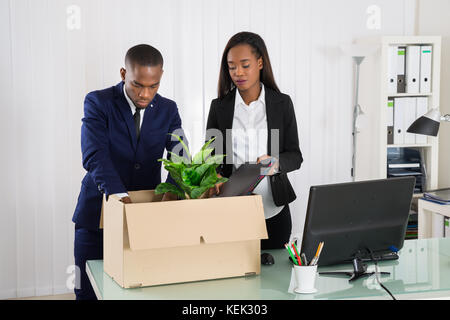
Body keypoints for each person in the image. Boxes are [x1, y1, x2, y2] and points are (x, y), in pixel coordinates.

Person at [72, 44, 184, 300]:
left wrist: (172, 190)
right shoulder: (98, 102)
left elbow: (180, 154)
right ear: (123, 73)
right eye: (137, 85)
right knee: (87, 291)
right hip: (96, 215)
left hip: (146, 219)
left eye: (153, 86)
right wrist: (120, 196)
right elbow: (94, 154)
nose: (145, 94)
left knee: (139, 292)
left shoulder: (168, 109)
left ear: (161, 77)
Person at [206, 31, 303, 250]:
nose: (238, 72)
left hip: (274, 208)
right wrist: (216, 177)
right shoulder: (220, 108)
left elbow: (295, 156)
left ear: (260, 63)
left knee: (276, 277)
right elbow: (211, 158)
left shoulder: (281, 104)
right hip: (233, 210)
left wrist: (275, 163)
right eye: (232, 67)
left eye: (245, 65)